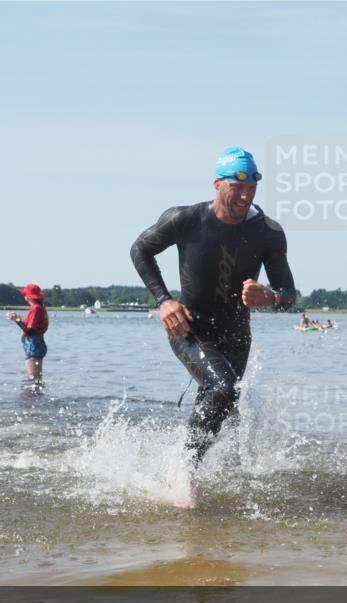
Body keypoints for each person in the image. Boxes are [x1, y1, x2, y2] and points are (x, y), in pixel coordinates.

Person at [130, 146, 296, 464]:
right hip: (189, 327)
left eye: (252, 187)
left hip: (236, 332)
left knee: (222, 400)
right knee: (223, 387)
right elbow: (140, 249)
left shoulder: (268, 232)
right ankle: (184, 471)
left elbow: (288, 295)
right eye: (238, 186)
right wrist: (164, 301)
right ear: (218, 184)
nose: (245, 196)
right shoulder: (186, 219)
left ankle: (197, 469)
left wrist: (270, 298)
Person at [6, 283, 49, 381]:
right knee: (36, 378)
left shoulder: (36, 308)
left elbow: (30, 330)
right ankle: (38, 395)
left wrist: (16, 320)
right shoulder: (40, 307)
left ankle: (31, 395)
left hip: (34, 344)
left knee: (32, 378)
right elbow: (31, 328)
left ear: (28, 297)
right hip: (38, 343)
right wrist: (19, 320)